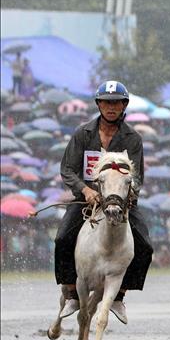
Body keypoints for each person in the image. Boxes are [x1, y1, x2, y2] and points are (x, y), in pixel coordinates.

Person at [55, 80, 153, 324]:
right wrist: (85, 190)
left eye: (116, 103)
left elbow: (137, 177)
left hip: (120, 201)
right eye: (107, 103)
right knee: (62, 237)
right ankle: (70, 293)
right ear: (99, 104)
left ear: (124, 105)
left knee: (145, 245)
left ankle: (119, 295)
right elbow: (67, 169)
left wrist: (122, 197)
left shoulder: (133, 139)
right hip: (87, 200)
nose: (111, 107)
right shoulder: (82, 134)